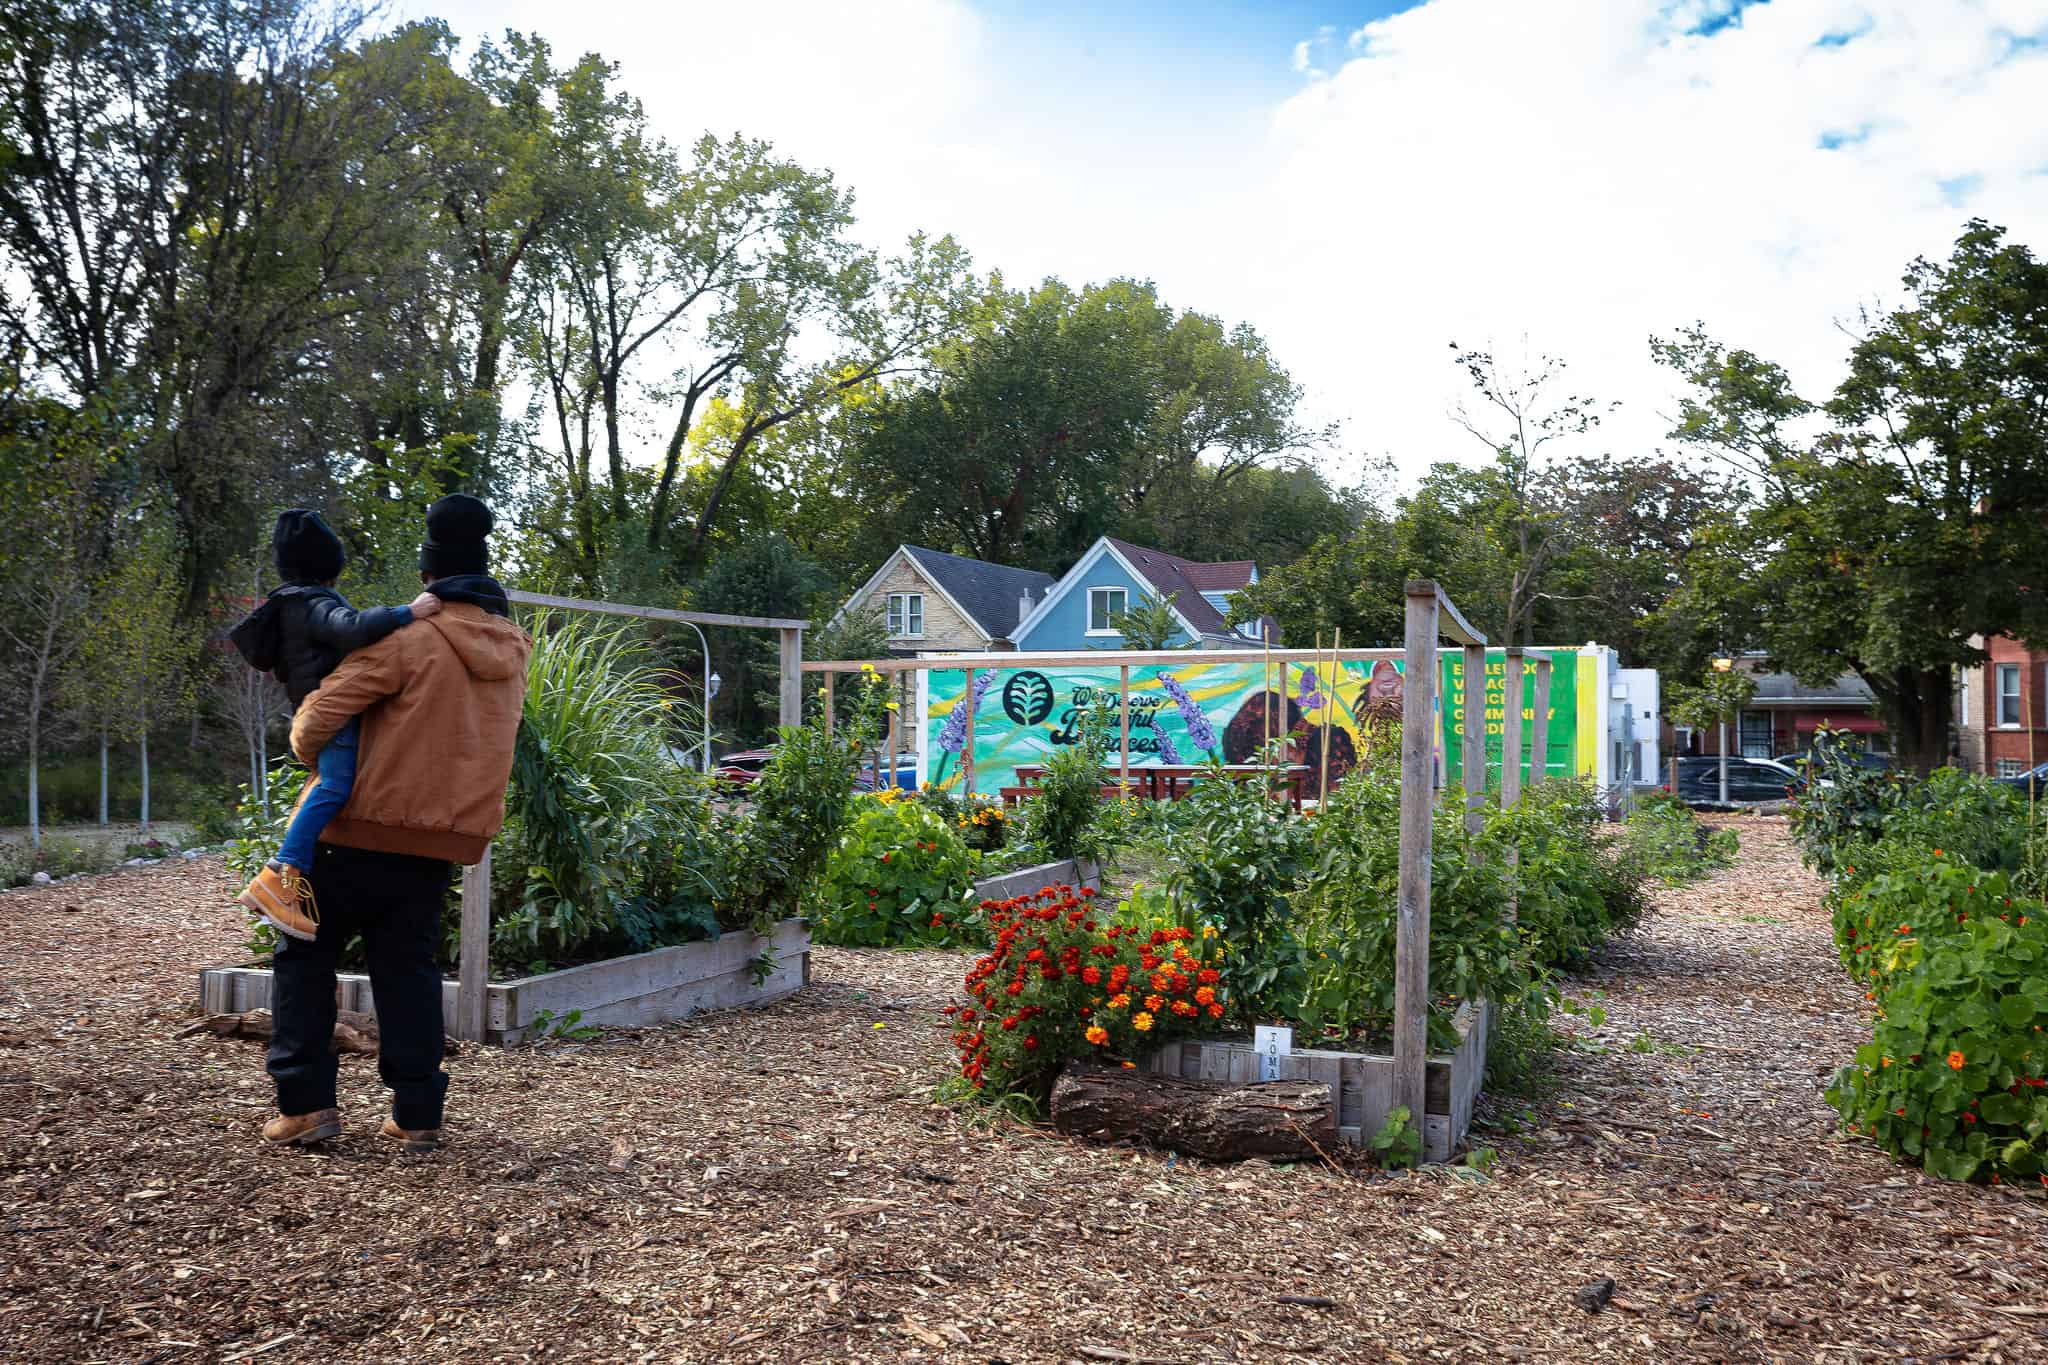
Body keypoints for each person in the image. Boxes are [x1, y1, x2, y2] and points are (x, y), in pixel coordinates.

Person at [260, 494, 531, 1152]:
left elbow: (312, 728)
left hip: (354, 833)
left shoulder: (408, 639)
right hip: (437, 842)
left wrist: (311, 738)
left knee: (302, 954)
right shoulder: (514, 649)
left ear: (428, 578)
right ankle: (416, 1113)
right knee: (408, 970)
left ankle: (305, 1106)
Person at [227, 509, 441, 942]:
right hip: (336, 710)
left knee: (334, 785)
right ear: (327, 565)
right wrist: (408, 612)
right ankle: (278, 877)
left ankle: (286, 880)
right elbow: (353, 628)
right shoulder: (312, 603)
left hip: (319, 706)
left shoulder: (291, 603)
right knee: (334, 787)